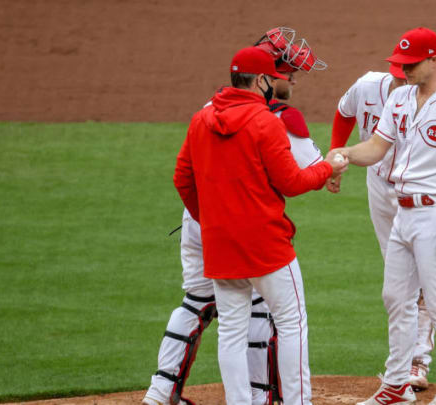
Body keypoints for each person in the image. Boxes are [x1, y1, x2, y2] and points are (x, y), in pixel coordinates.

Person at [142, 29, 328, 405]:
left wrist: (207, 217)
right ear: (262, 79)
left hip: (215, 238)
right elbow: (294, 180)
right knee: (290, 323)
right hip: (264, 243)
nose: (289, 78)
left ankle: (172, 391)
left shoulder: (203, 116)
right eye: (283, 73)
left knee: (222, 322)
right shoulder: (270, 120)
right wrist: (330, 168)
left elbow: (182, 177)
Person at [332, 27, 436, 405]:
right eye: (400, 64)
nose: (403, 70)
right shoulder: (401, 99)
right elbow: (376, 148)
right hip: (403, 214)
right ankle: (395, 385)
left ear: (435, 59)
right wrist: (343, 153)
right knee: (395, 297)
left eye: (411, 64)